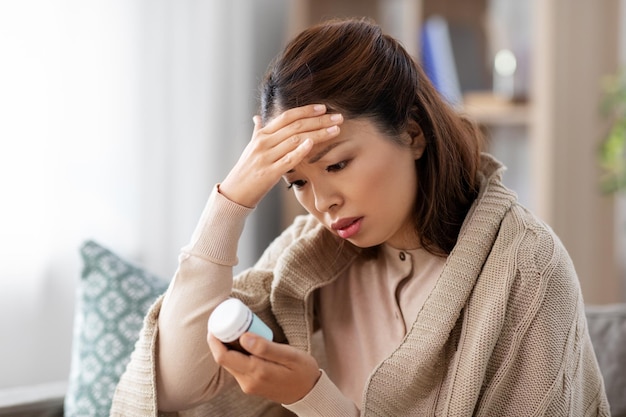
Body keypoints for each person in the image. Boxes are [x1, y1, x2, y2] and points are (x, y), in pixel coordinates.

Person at [110, 17, 610, 416]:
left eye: (337, 165)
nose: (321, 202)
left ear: (412, 134)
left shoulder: (526, 267)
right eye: (298, 182)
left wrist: (312, 395)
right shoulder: (309, 259)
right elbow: (175, 387)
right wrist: (229, 202)